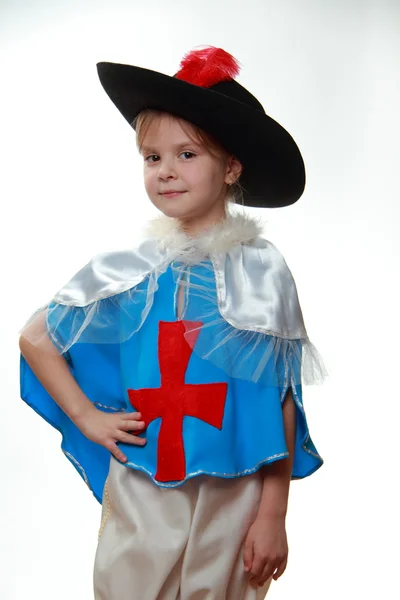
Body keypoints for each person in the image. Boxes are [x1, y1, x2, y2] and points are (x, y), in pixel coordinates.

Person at [18, 45, 328, 599]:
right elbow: (36, 337)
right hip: (145, 481)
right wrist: (88, 417)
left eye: (187, 155)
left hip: (237, 487)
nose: (166, 172)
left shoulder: (262, 273)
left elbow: (281, 397)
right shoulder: (127, 271)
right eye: (152, 157)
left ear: (231, 167)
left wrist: (273, 514)